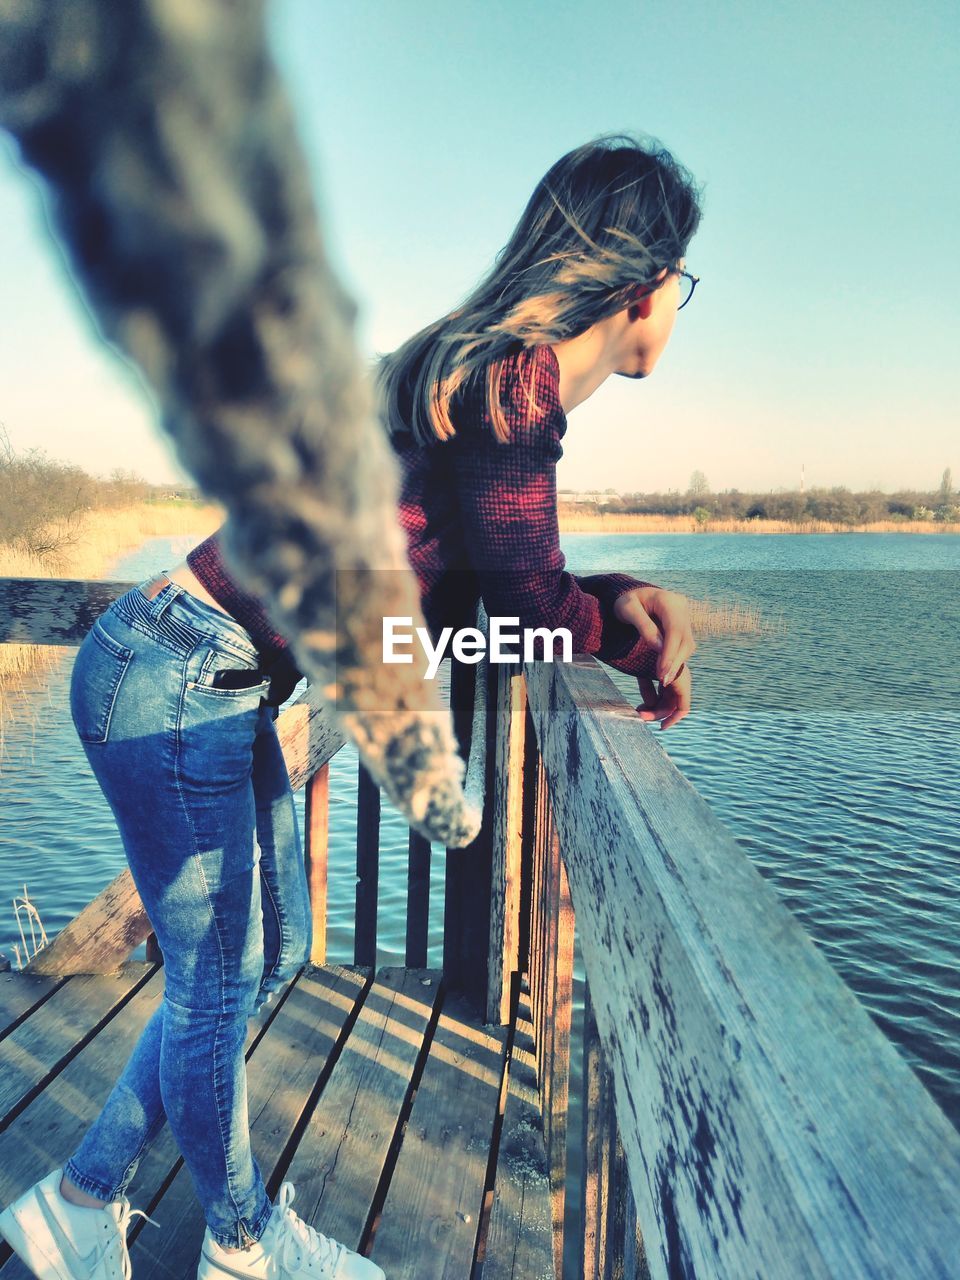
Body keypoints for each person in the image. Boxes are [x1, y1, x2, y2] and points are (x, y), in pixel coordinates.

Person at [0, 133, 700, 1280]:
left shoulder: (470, 371)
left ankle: (79, 1201)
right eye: (684, 284)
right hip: (179, 676)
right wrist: (611, 622)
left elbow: (489, 570)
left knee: (262, 954)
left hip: (193, 669)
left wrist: (611, 601)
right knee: (223, 975)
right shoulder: (516, 383)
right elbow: (525, 590)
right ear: (641, 284)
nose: (679, 306)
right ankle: (239, 1240)